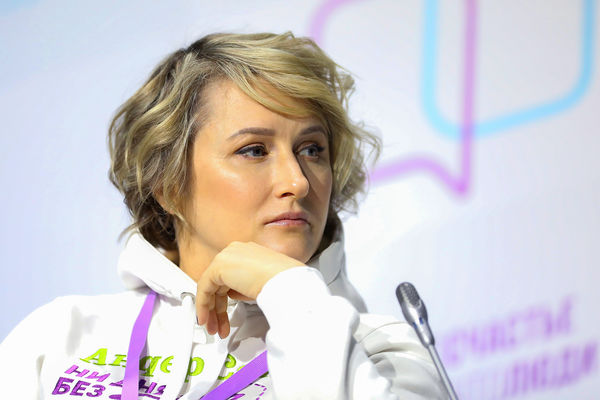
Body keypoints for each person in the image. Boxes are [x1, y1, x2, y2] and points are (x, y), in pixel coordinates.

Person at [0, 32, 445, 399]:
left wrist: (292, 296)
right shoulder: (59, 336)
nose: (298, 182)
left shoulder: (384, 353)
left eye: (312, 150)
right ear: (168, 184)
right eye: (253, 150)